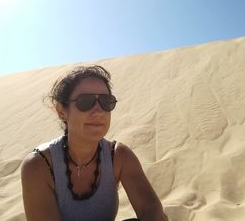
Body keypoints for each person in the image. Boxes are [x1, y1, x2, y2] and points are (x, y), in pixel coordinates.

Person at [21, 65, 168, 221]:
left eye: (106, 101)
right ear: (61, 111)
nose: (98, 111)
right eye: (85, 101)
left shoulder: (119, 156)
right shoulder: (39, 165)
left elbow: (151, 210)